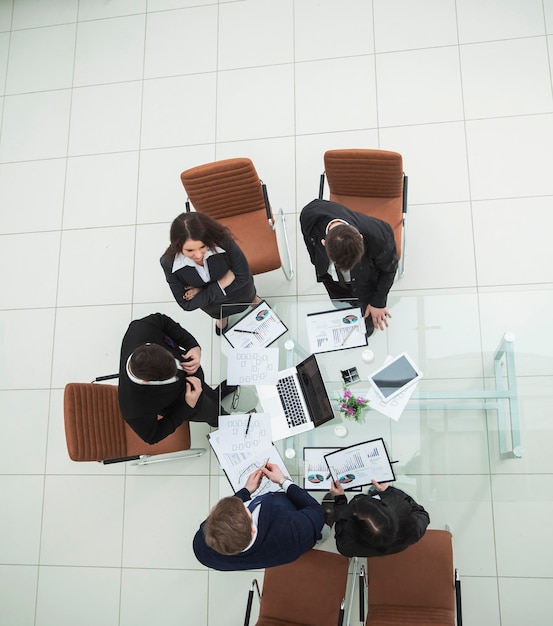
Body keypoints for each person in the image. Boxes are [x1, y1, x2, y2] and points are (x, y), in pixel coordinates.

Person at [118, 313, 234, 443]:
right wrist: (187, 406)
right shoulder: (134, 408)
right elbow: (153, 436)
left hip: (195, 379)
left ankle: (214, 396)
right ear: (146, 382)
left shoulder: (140, 328)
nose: (180, 369)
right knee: (214, 413)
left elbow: (163, 321)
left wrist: (193, 346)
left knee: (209, 394)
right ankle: (223, 421)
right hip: (183, 402)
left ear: (149, 344)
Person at [192, 463, 326, 571]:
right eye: (244, 507)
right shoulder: (291, 529)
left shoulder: (202, 547)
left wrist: (246, 490)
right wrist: (282, 480)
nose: (242, 502)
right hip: (302, 526)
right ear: (253, 530)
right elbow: (317, 511)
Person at [300, 199, 398, 336]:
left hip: (365, 283)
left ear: (361, 238)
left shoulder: (379, 235)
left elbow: (389, 269)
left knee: (365, 322)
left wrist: (378, 303)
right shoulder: (310, 215)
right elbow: (308, 239)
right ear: (323, 243)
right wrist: (316, 260)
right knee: (340, 305)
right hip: (332, 283)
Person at [160, 212, 261, 334]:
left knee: (252, 299)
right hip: (214, 305)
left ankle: (255, 303)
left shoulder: (223, 240)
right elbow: (186, 304)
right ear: (178, 246)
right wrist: (221, 283)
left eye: (203, 247)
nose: (198, 255)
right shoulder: (169, 263)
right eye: (190, 250)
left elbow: (243, 278)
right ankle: (221, 318)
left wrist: (203, 292)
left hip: (239, 292)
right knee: (219, 313)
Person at [325, 479, 430, 558]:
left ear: (354, 524)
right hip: (396, 547)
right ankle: (376, 497)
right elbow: (421, 512)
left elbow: (341, 520)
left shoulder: (346, 545)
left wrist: (339, 499)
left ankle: (374, 496)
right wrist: (388, 491)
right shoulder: (413, 529)